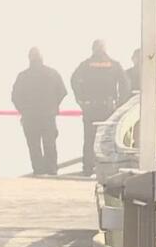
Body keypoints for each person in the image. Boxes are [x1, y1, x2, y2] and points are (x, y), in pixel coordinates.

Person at [71, 40, 130, 177]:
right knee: (108, 140)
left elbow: (74, 80)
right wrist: (120, 103)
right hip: (108, 108)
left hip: (90, 107)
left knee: (89, 139)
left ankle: (87, 169)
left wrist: (81, 100)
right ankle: (108, 170)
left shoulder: (85, 65)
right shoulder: (114, 65)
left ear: (93, 49)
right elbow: (125, 84)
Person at [11, 48, 67, 176]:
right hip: (48, 116)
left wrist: (23, 110)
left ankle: (39, 171)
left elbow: (15, 97)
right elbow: (62, 92)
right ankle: (52, 171)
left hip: (30, 117)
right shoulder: (52, 73)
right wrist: (54, 105)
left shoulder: (23, 76)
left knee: (34, 146)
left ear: (29, 58)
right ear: (42, 58)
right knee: (50, 144)